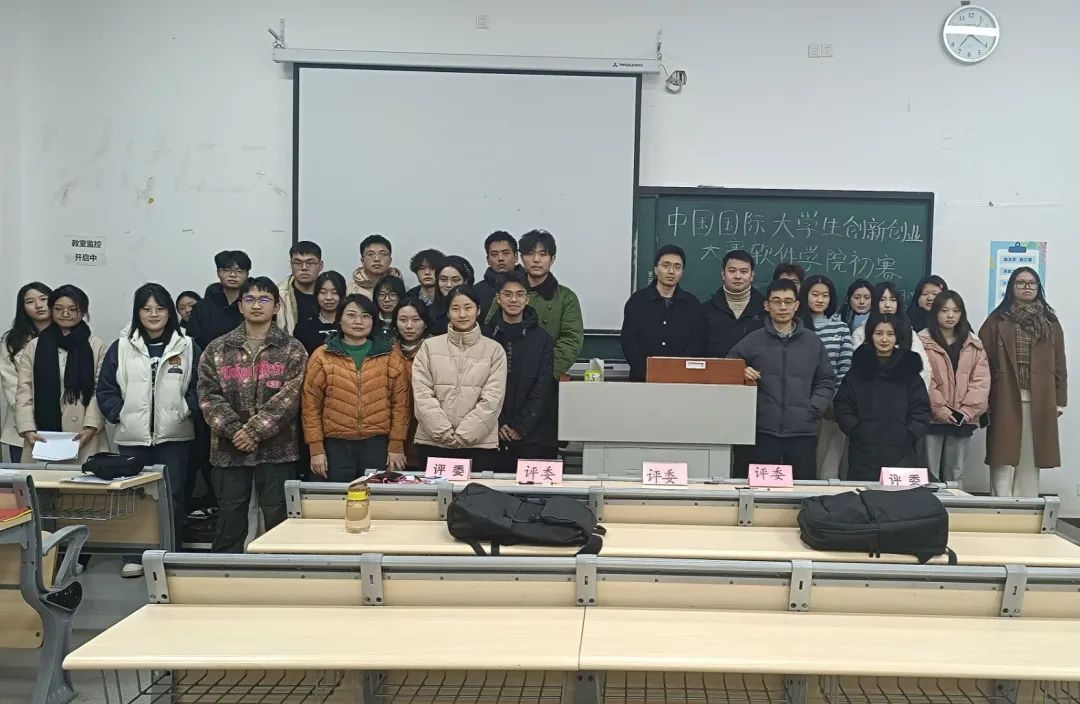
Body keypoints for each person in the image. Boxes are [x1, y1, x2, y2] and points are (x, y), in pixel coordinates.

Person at [96, 284, 200, 577]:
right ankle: (134, 555)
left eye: (160, 309)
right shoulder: (121, 347)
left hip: (174, 436)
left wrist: (185, 409)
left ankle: (170, 552)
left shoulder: (187, 345)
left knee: (172, 496)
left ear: (170, 313)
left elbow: (200, 386)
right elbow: (105, 389)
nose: (153, 314)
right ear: (137, 312)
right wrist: (120, 414)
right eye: (146, 309)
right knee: (133, 497)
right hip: (132, 437)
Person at [197, 277, 308, 553]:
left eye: (264, 299)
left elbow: (289, 398)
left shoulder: (292, 348)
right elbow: (208, 396)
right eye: (249, 299)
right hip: (229, 449)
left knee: (279, 518)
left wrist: (254, 431)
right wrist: (236, 430)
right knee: (230, 518)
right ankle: (226, 572)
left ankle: (280, 572)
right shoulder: (218, 348)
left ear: (276, 307)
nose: (256, 305)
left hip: (277, 451)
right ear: (240, 306)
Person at [728, 279, 835, 480]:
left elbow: (826, 380)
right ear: (766, 305)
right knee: (762, 488)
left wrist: (813, 408)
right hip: (762, 431)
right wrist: (742, 370)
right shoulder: (754, 339)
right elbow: (729, 365)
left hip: (802, 432)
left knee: (802, 489)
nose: (783, 307)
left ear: (797, 305)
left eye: (788, 301)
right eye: (777, 301)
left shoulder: (812, 341)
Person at [302, 294, 411, 482]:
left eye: (365, 316)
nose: (358, 321)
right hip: (335, 445)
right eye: (351, 315)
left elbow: (401, 404)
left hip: (377, 443)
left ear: (373, 321)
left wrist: (396, 445)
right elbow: (310, 405)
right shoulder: (322, 356)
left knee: (376, 496)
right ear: (339, 319)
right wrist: (316, 449)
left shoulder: (389, 355)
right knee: (338, 498)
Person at [979, 267, 1067, 497]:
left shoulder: (1050, 322)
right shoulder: (996, 321)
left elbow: (1059, 363)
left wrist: (1059, 400)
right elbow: (981, 364)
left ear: (1038, 287)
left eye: (1032, 283)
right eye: (1021, 282)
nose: (1027, 287)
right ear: (1011, 287)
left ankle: (1027, 505)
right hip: (1004, 395)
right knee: (1003, 455)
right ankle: (1001, 506)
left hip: (1041, 397)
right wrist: (982, 399)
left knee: (1030, 456)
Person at [412, 285, 507, 472]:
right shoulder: (429, 347)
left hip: (479, 445)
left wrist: (464, 435)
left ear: (478, 310)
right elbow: (422, 395)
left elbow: (492, 399)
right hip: (434, 442)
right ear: (448, 313)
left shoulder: (494, 350)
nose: (462, 314)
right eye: (455, 308)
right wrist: (444, 433)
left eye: (468, 308)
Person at [16, 285, 109, 463]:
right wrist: (27, 429)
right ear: (51, 310)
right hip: (41, 435)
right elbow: (24, 391)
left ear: (83, 311)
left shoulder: (96, 345)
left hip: (83, 433)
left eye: (72, 309)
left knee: (83, 480)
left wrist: (91, 427)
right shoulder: (35, 346)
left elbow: (100, 389)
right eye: (59, 309)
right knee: (43, 480)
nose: (65, 314)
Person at [834, 313, 931, 482]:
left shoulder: (909, 371)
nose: (884, 339)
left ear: (897, 337)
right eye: (879, 333)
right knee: (863, 494)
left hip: (901, 452)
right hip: (863, 452)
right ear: (870, 335)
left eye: (890, 334)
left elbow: (921, 410)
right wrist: (857, 430)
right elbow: (843, 406)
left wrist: (908, 434)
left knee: (899, 496)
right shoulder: (857, 371)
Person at [485, 271, 556, 469]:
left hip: (532, 433)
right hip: (490, 430)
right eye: (507, 294)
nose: (513, 300)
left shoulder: (542, 339)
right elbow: (479, 384)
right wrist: (498, 422)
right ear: (498, 299)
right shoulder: (485, 336)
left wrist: (520, 425)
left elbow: (543, 386)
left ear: (527, 299)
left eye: (519, 294)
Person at [918, 291, 990, 485]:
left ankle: (955, 505)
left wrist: (966, 412)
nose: (950, 315)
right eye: (944, 310)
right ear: (935, 313)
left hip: (962, 420)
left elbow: (981, 381)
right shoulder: (921, 341)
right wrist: (940, 409)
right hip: (931, 419)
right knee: (929, 474)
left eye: (956, 311)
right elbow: (924, 378)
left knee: (955, 474)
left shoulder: (974, 343)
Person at [619, 244, 705, 382]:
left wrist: (679, 373)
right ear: (655, 269)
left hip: (681, 381)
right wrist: (648, 372)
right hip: (642, 381)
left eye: (677, 267)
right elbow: (629, 342)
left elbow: (696, 344)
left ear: (682, 272)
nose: (671, 271)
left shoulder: (692, 304)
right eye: (666, 266)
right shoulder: (637, 301)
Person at [798, 275, 853, 479]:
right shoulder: (796, 326)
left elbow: (845, 367)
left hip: (831, 407)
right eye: (815, 294)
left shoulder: (841, 328)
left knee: (827, 466)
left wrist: (833, 400)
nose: (820, 300)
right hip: (799, 404)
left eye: (825, 295)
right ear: (805, 296)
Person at [511, 229, 583, 380]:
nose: (536, 260)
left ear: (552, 259)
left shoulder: (566, 298)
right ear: (521, 258)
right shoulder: (507, 293)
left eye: (543, 254)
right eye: (530, 254)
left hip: (546, 378)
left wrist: (546, 373)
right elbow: (492, 332)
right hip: (509, 376)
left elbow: (571, 340)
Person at [1, 282, 53, 463]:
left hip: (61, 422)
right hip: (21, 425)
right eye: (30, 302)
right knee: (25, 478)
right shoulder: (11, 340)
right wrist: (29, 416)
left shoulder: (68, 335)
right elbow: (10, 383)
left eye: (43, 299)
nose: (38, 305)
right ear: (22, 308)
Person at [851, 282, 930, 389]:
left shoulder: (909, 332)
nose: (887, 305)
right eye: (882, 300)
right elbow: (857, 371)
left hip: (905, 393)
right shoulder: (860, 333)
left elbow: (924, 370)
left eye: (893, 300)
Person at [392, 297, 431, 470]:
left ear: (425, 323)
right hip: (394, 434)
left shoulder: (436, 350)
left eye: (416, 320)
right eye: (403, 320)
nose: (409, 326)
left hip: (427, 430)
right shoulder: (385, 351)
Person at [704, 249, 766, 357]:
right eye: (732, 271)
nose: (738, 276)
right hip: (717, 367)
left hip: (756, 367)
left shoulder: (766, 309)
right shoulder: (705, 310)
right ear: (723, 274)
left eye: (744, 271)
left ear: (752, 276)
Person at [187, 250, 251, 350]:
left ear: (247, 274)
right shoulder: (201, 307)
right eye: (227, 270)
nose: (233, 275)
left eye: (239, 271)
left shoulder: (253, 305)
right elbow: (193, 345)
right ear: (218, 273)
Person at [276, 241, 324, 334]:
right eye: (298, 263)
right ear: (291, 265)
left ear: (321, 265)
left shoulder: (332, 294)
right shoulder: (279, 295)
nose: (304, 267)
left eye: (310, 263)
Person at [293, 271, 346, 355]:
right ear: (316, 294)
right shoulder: (303, 327)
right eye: (323, 292)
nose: (328, 297)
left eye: (334, 292)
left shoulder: (351, 324)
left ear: (342, 294)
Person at [475, 231, 523, 317]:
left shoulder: (530, 285)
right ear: (488, 260)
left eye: (506, 253)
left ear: (516, 256)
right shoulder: (476, 291)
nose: (500, 258)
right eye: (494, 254)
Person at [428, 255, 475, 336]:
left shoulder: (476, 308)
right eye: (443, 279)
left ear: (465, 281)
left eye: (455, 280)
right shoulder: (429, 311)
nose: (449, 285)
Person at [371, 275, 407, 354]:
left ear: (400, 296)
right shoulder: (370, 322)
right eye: (381, 295)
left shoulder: (407, 324)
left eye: (392, 295)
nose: (386, 299)